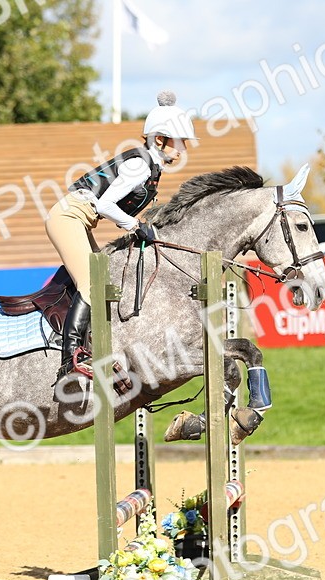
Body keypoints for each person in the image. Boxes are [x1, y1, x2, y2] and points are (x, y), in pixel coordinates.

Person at [45, 90, 198, 380]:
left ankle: (91, 346)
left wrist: (134, 224)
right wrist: (134, 225)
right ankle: (70, 360)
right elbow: (104, 204)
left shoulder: (150, 166)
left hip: (81, 218)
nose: (183, 150)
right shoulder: (140, 165)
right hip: (70, 216)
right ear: (160, 139)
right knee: (92, 284)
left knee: (105, 279)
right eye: (180, 142)